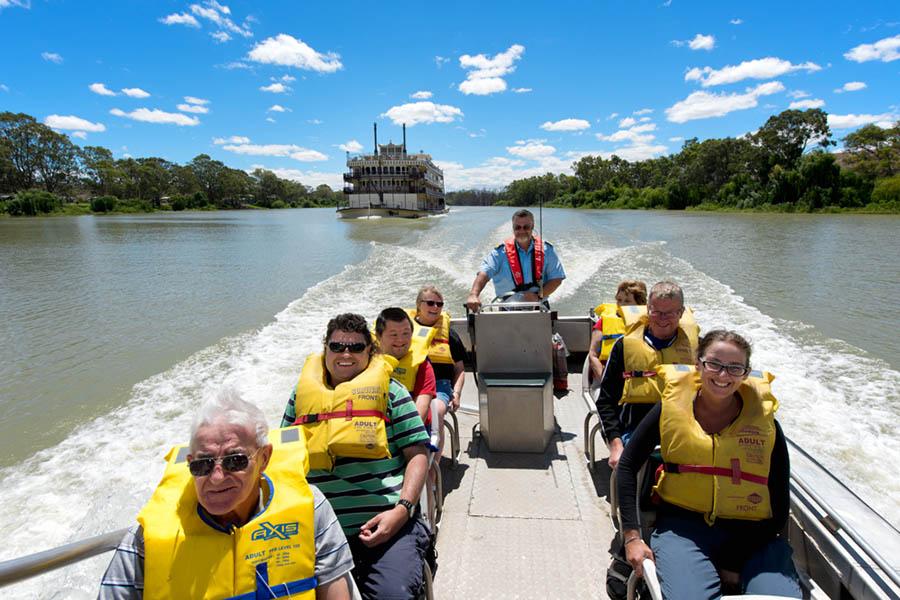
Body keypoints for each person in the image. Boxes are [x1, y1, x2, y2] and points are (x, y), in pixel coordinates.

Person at [98, 388, 354, 600]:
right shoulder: (146, 539)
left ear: (264, 458)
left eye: (235, 461)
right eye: (202, 464)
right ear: (189, 463)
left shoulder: (311, 509)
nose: (217, 478)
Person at [617, 330, 801, 599]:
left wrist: (733, 562)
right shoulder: (669, 409)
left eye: (734, 368)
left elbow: (779, 501)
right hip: (683, 530)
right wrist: (632, 537)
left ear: (746, 373)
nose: (723, 375)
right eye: (714, 364)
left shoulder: (767, 425)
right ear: (698, 364)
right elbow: (627, 466)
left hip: (754, 536)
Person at [281, 313, 430, 600]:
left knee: (393, 595)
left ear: (370, 351)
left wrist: (401, 511)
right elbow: (283, 459)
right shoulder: (299, 397)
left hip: (386, 527)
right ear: (325, 349)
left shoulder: (392, 393)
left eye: (356, 347)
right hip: (318, 532)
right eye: (337, 346)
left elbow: (418, 454)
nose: (345, 354)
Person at [595, 281, 699, 469]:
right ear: (647, 309)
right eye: (656, 311)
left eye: (670, 313)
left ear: (681, 313)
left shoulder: (699, 349)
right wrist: (615, 444)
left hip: (683, 427)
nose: (662, 319)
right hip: (634, 428)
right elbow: (606, 401)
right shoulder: (623, 347)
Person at [466, 209, 566, 311]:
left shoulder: (546, 250)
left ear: (532, 227)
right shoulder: (499, 253)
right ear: (513, 228)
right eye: (517, 227)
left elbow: (556, 278)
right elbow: (484, 273)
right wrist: (474, 294)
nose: (522, 231)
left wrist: (539, 296)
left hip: (539, 307)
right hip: (507, 310)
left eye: (526, 227)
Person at [408, 286, 465, 456]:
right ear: (419, 305)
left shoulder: (449, 335)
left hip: (440, 386)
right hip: (410, 384)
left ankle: (433, 468)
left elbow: (460, 369)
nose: (435, 307)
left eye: (439, 304)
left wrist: (457, 393)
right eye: (430, 303)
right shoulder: (405, 331)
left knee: (436, 411)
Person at [375, 306, 436, 423]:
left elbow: (420, 413)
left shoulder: (422, 365)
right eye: (393, 335)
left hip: (410, 431)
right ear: (379, 336)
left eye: (405, 334)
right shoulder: (366, 361)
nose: (400, 340)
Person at [588, 280, 648, 384]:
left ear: (640, 304)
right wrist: (606, 382)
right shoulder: (604, 322)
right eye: (619, 300)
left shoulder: (650, 324)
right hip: (606, 377)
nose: (621, 305)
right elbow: (592, 355)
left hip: (640, 380)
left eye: (627, 301)